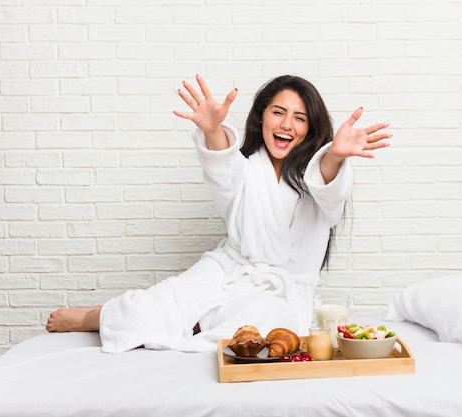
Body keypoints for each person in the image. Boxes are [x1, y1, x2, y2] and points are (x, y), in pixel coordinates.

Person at [46, 74, 391, 353]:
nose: (287, 124)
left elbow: (328, 188)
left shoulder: (316, 176)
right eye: (278, 112)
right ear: (261, 116)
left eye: (300, 118)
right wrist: (212, 129)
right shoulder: (244, 169)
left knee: (272, 324)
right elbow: (222, 169)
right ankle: (95, 316)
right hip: (227, 268)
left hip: (279, 293)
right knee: (152, 306)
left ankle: (197, 323)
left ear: (311, 129)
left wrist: (335, 156)